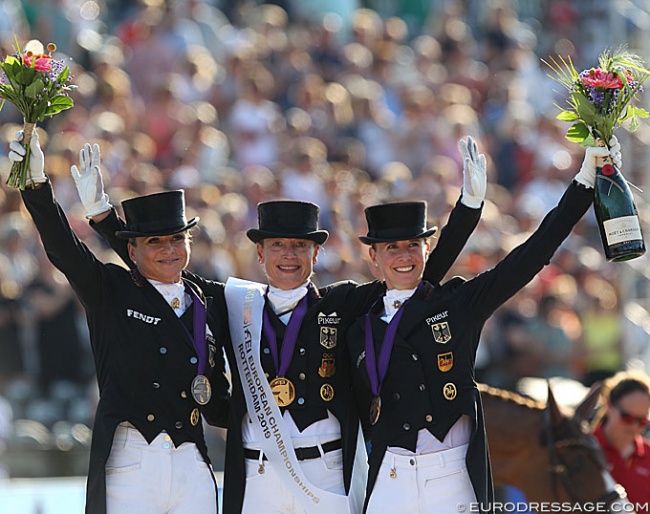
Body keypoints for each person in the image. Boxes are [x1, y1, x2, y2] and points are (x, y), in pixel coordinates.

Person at [83, 136, 487, 513]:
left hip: (325, 472)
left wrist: (468, 209)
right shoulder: (235, 302)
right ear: (260, 253)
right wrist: (105, 221)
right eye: (277, 245)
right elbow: (160, 265)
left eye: (300, 246)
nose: (288, 256)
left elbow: (413, 274)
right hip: (259, 476)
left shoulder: (342, 301)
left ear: (316, 253)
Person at [345, 137, 622, 514]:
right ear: (373, 258)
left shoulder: (457, 304)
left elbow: (530, 256)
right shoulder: (360, 320)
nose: (404, 256)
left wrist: (584, 183)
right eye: (391, 248)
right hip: (388, 477)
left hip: (453, 476)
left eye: (413, 245)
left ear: (428, 250)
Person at [8, 133, 230, 514]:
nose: (169, 250)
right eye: (155, 241)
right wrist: (37, 188)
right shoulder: (111, 289)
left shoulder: (206, 297)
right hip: (131, 458)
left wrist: (106, 218)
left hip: (192, 457)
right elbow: (65, 250)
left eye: (178, 239)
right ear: (131, 250)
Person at [593, 370, 650, 511]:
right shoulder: (584, 451)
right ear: (609, 406)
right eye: (628, 418)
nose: (634, 427)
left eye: (642, 421)